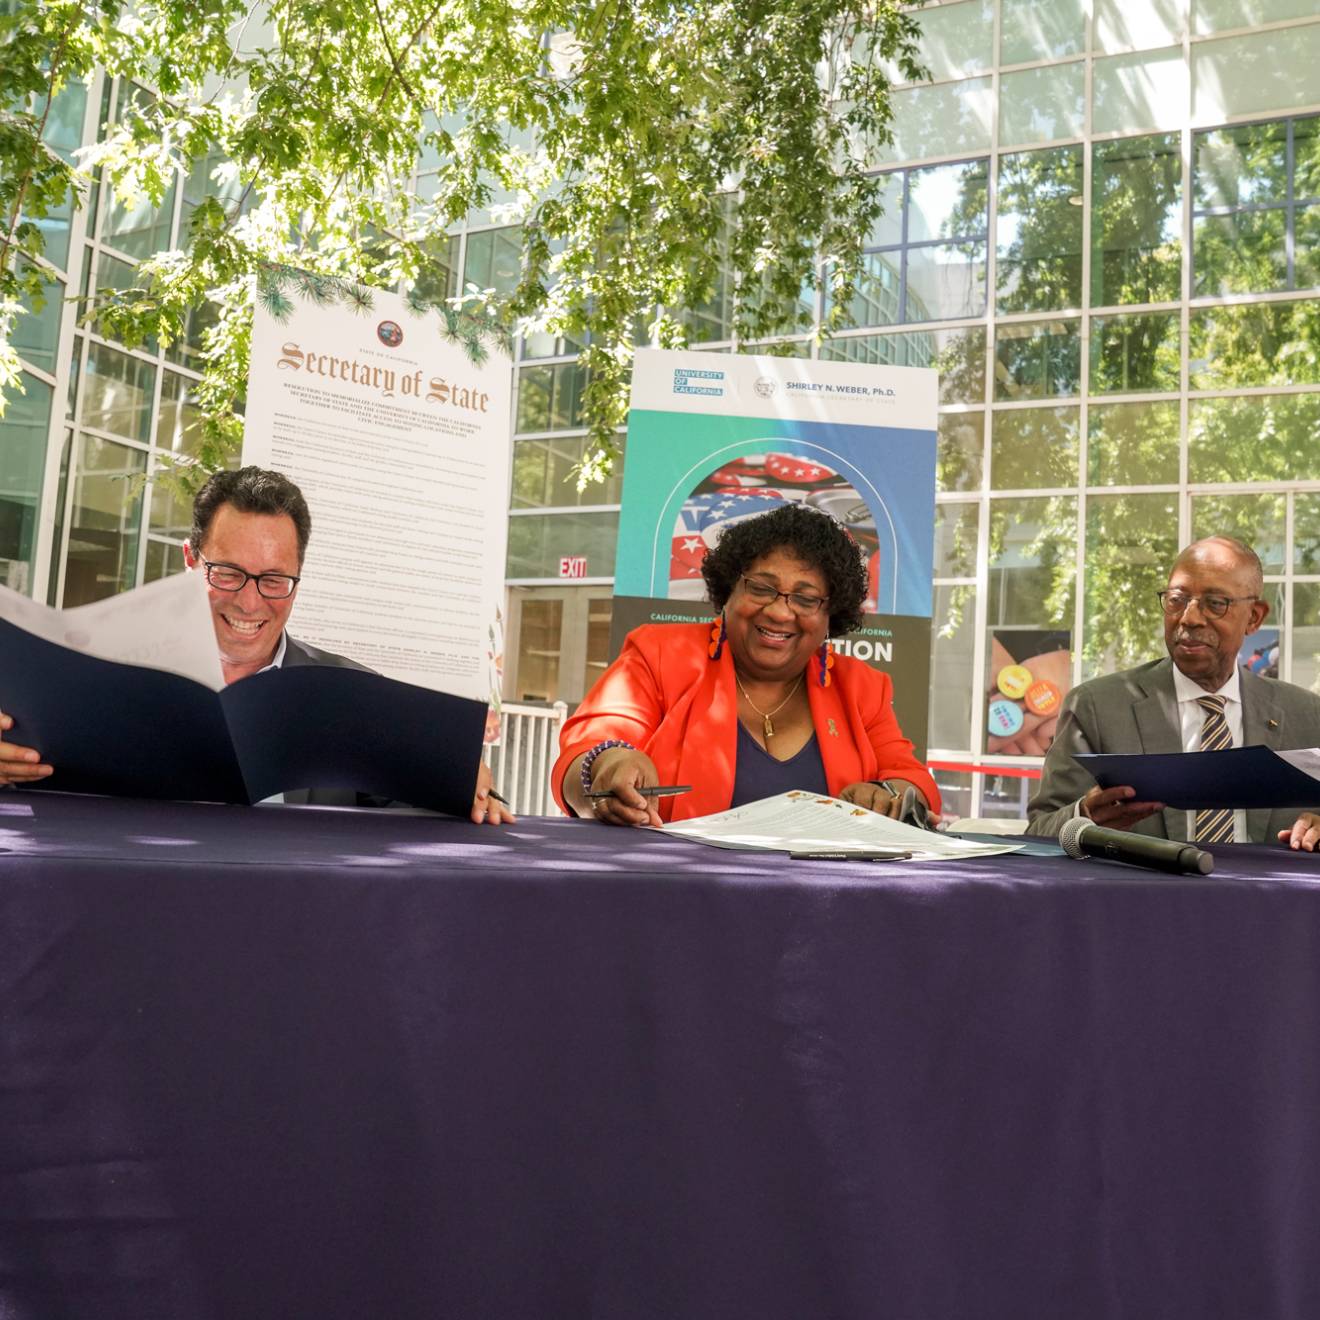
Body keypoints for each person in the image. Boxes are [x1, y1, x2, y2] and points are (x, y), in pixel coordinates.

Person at [0, 466, 510, 824]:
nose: (249, 602)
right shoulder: (93, 678)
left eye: (274, 580)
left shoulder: (351, 694)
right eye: (227, 573)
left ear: (298, 578)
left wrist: (461, 783)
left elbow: (441, 813)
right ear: (190, 559)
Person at [553, 502, 939, 826]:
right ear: (729, 591)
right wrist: (609, 765)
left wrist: (887, 795)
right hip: (677, 886)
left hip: (824, 892)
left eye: (806, 598)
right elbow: (583, 754)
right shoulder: (659, 654)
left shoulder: (861, 687)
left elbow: (914, 782)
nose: (780, 612)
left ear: (830, 616)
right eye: (761, 588)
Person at [1028, 535, 1320, 850]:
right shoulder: (1096, 707)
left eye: (1215, 603)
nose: (1189, 618)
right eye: (1176, 600)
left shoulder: (1307, 716)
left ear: (1254, 617)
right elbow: (1038, 834)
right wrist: (1084, 817)